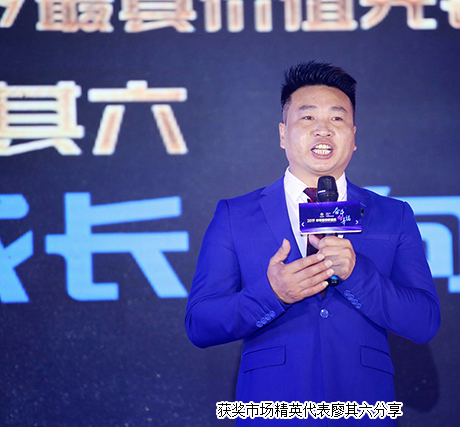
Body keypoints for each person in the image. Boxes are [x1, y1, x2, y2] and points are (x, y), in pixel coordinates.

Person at [185, 61, 440, 425]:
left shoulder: (392, 215)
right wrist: (273, 293)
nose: (323, 129)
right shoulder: (234, 215)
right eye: (307, 118)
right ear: (282, 134)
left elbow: (424, 321)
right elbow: (200, 323)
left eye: (337, 118)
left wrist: (357, 274)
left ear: (353, 136)